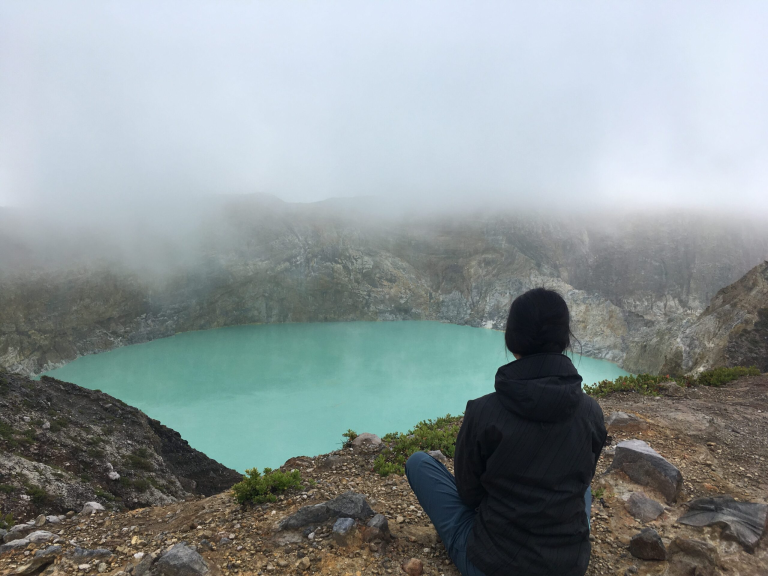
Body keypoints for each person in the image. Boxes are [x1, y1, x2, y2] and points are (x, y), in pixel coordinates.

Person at [405, 287, 607, 576]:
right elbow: (585, 476)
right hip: (569, 566)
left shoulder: (484, 411)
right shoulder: (591, 413)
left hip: (492, 564)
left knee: (418, 463)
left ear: (513, 340)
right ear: (564, 340)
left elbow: (469, 494)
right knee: (582, 490)